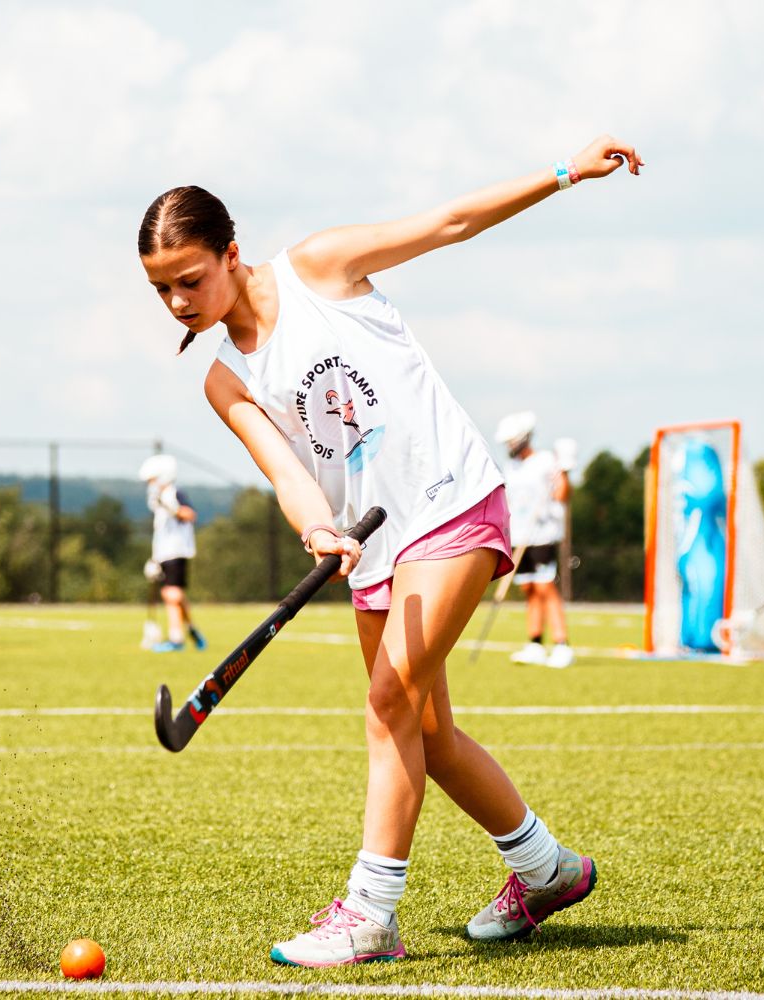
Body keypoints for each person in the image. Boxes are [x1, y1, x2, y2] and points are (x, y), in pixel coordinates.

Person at [139, 137, 641, 966]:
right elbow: (289, 475)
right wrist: (316, 530)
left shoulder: (319, 267)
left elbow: (447, 223)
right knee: (428, 731)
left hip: (449, 500)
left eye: (190, 279)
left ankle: (370, 914)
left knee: (387, 705)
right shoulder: (224, 380)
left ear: (232, 252)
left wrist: (562, 174)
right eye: (162, 290)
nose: (179, 302)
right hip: (376, 548)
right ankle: (546, 870)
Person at [495, 412, 575, 669]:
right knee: (529, 589)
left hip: (543, 534)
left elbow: (563, 493)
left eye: (511, 441)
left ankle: (562, 645)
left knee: (545, 587)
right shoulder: (512, 467)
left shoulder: (546, 461)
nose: (508, 446)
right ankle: (535, 643)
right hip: (519, 535)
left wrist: (564, 471)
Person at [139, 453, 206, 652]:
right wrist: (154, 558)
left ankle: (176, 639)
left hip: (177, 551)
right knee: (174, 595)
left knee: (171, 594)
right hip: (164, 554)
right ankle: (192, 628)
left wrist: (172, 508)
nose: (150, 484)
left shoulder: (175, 494)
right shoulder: (157, 498)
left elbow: (190, 514)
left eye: (152, 480)